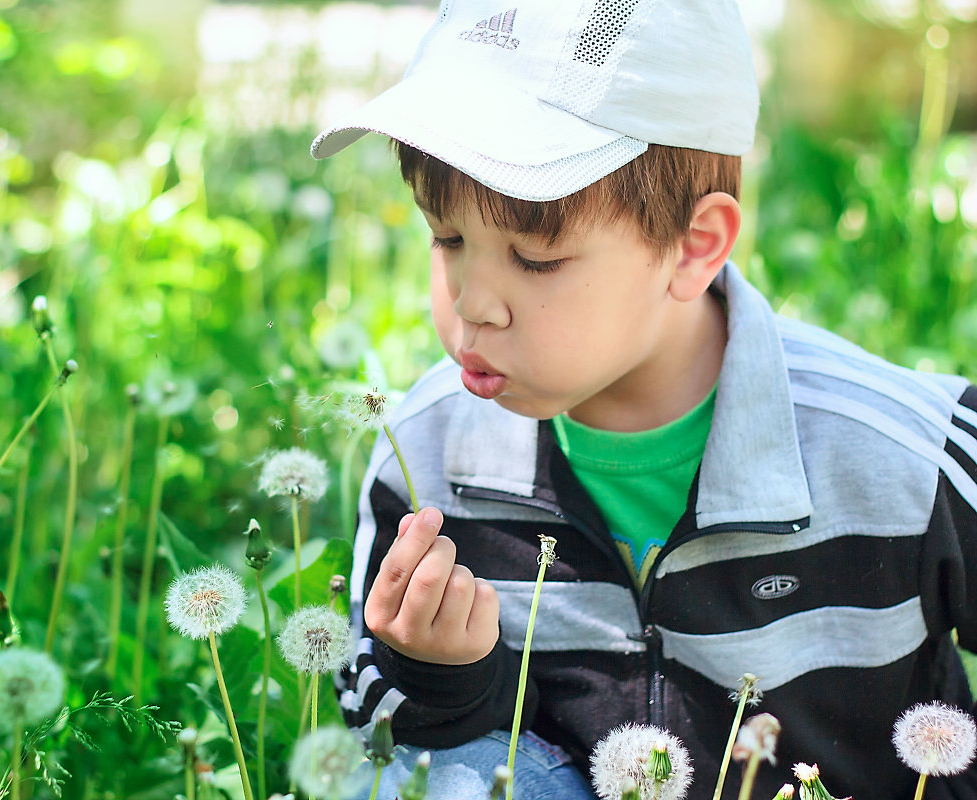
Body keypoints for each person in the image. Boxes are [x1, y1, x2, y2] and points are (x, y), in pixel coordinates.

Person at [310, 1, 977, 798]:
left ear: (694, 247)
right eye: (447, 239)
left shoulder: (903, 454)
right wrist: (437, 674)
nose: (474, 302)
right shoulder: (422, 458)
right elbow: (372, 727)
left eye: (535, 255)